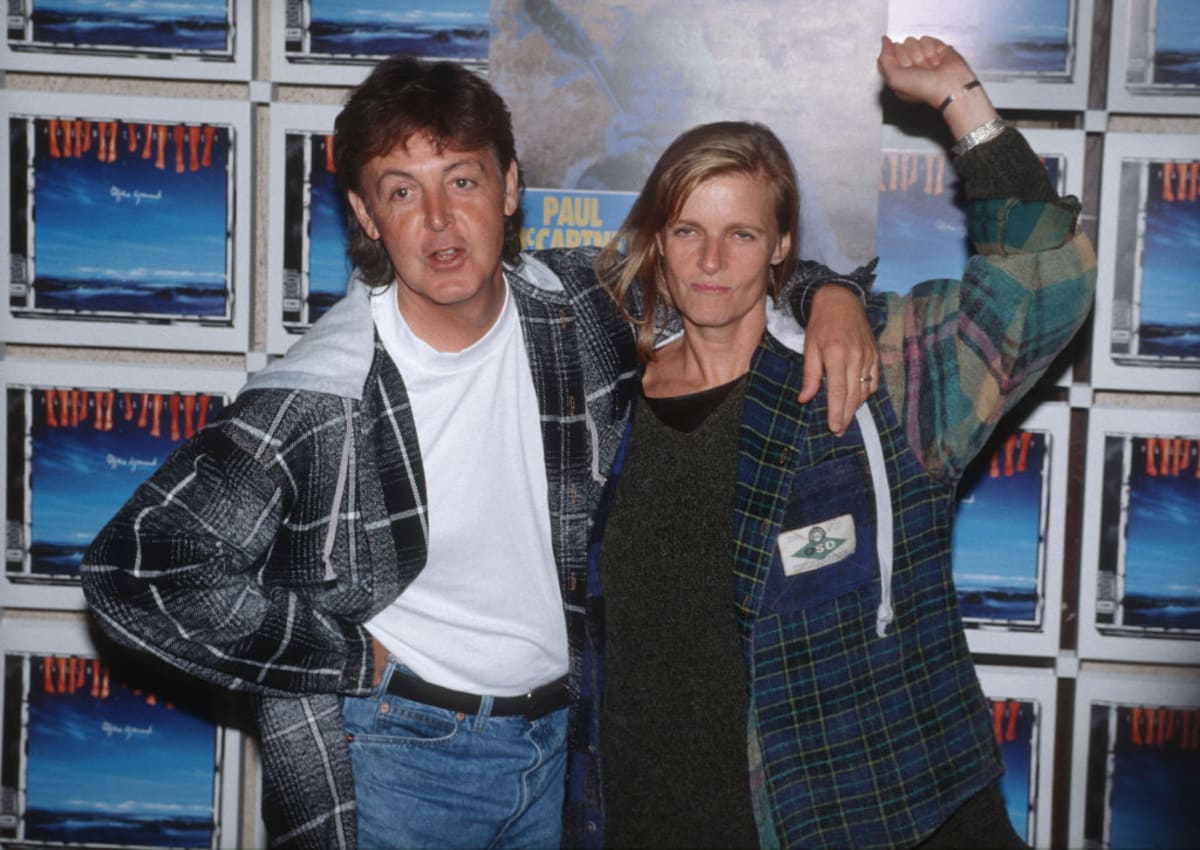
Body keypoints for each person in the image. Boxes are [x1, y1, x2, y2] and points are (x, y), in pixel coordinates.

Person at [79, 55, 875, 849]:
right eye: (401, 190)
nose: (436, 220)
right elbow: (140, 570)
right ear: (364, 214)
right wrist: (351, 659)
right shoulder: (319, 397)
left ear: (512, 188)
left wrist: (830, 297)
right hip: (402, 760)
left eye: (461, 181)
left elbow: (725, 272)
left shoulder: (577, 312)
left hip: (568, 753)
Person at [582, 35, 1096, 849]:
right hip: (646, 818)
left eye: (742, 235)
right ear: (656, 237)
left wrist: (958, 97)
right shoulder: (600, 398)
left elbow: (1043, 284)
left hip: (864, 814)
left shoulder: (875, 371)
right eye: (687, 230)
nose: (711, 260)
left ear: (783, 244)